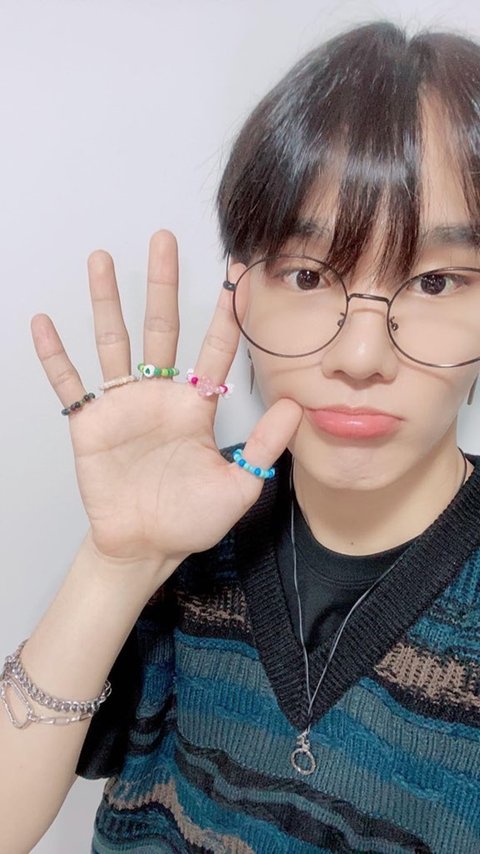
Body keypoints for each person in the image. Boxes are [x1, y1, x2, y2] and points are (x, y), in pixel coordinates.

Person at [1, 18, 480, 854]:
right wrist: (118, 564)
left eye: (436, 281)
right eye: (308, 274)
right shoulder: (187, 523)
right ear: (240, 293)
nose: (360, 357)